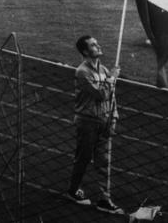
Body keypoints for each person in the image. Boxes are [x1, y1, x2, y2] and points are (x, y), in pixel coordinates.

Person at [66, 35, 123, 215]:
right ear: (85, 51)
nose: (98, 46)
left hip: (104, 121)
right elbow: (101, 95)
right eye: (93, 45)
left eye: (97, 43)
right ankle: (73, 190)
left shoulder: (104, 70)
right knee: (83, 159)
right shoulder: (83, 72)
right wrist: (112, 79)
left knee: (104, 161)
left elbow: (111, 98)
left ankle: (104, 200)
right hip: (88, 122)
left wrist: (113, 118)